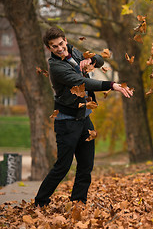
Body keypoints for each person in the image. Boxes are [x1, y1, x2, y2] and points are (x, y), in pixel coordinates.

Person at [34, 27, 133, 207]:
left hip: (84, 118)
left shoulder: (73, 51)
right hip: (67, 122)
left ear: (65, 40)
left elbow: (100, 60)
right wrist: (112, 85)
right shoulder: (56, 67)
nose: (59, 48)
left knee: (86, 165)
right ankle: (40, 201)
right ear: (49, 48)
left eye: (61, 43)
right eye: (54, 46)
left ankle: (78, 202)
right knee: (63, 166)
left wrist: (92, 60)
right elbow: (82, 82)